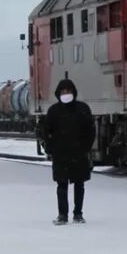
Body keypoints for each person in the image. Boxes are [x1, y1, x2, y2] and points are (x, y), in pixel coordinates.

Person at [37, 78, 95, 225]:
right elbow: (45, 132)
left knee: (79, 185)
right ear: (58, 93)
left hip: (78, 153)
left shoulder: (82, 109)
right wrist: (50, 148)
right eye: (63, 91)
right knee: (61, 185)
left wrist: (86, 147)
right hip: (60, 154)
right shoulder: (53, 111)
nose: (66, 94)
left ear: (73, 92)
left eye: (68, 91)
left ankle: (78, 214)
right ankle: (62, 214)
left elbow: (90, 130)